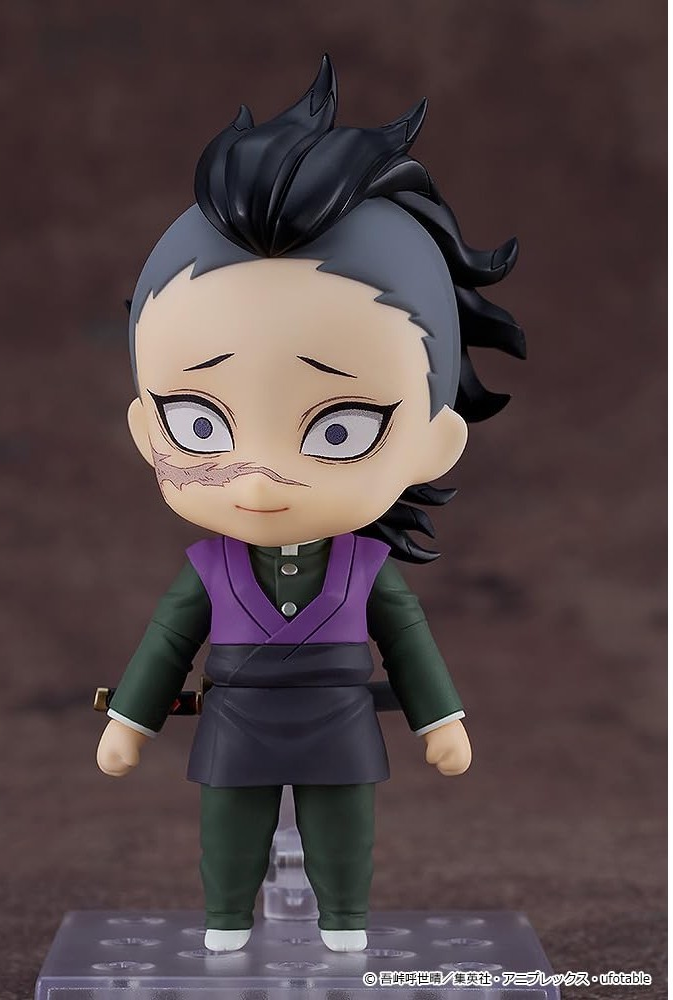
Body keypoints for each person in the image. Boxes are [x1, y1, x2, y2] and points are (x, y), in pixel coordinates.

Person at [96, 55, 525, 954]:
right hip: (237, 720)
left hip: (337, 722)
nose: (258, 479)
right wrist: (130, 720)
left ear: (433, 443)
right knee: (230, 829)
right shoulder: (208, 567)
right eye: (200, 422)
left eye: (339, 429)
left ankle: (345, 921)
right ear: (144, 428)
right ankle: (225, 920)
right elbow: (167, 644)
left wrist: (441, 720)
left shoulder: (367, 568)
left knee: (341, 829)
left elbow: (408, 645)